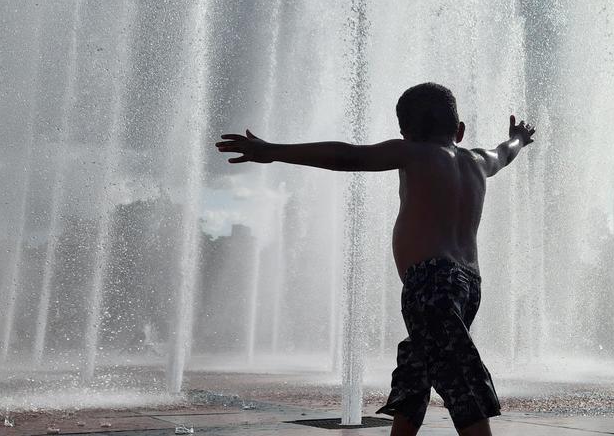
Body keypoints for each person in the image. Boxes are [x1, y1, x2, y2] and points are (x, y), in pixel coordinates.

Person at [216, 82, 535, 436]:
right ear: (459, 131)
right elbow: (505, 152)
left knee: (460, 383)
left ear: (405, 133)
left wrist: (272, 150)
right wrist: (519, 136)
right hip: (468, 285)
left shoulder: (411, 153)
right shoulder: (477, 161)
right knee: (417, 376)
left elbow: (348, 157)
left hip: (431, 284)